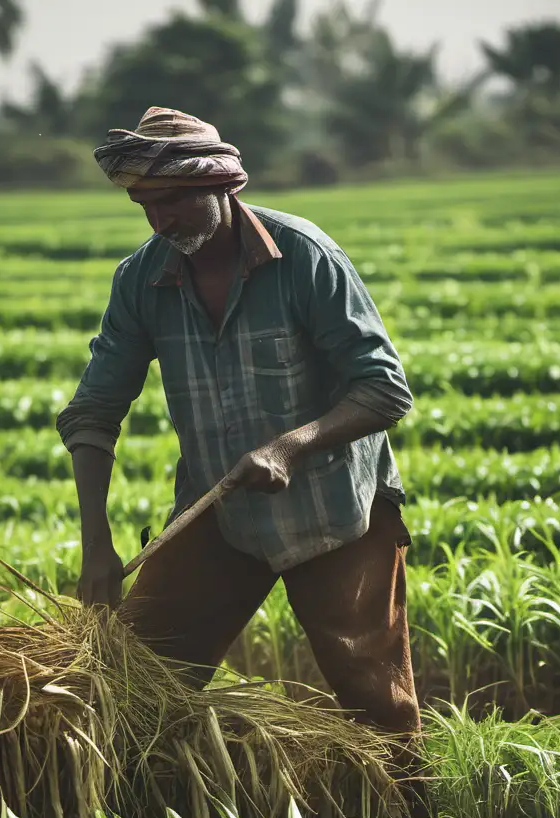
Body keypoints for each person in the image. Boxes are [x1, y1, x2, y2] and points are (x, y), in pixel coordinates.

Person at [56, 106, 419, 733]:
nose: (158, 220)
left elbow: (384, 389)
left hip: (336, 511)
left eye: (172, 202)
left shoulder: (306, 258)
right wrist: (96, 545)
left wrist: (289, 447)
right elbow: (94, 412)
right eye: (144, 204)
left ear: (220, 187)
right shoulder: (142, 280)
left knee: (376, 703)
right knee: (140, 682)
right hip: (218, 508)